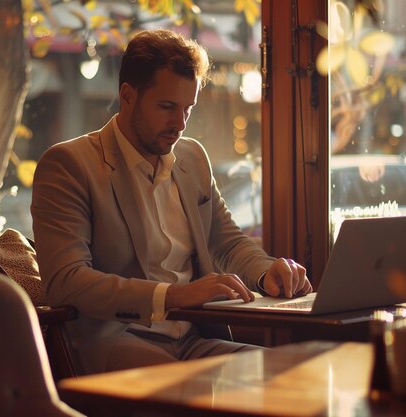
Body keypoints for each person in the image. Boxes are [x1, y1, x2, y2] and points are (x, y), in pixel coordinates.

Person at [31, 29, 312, 375]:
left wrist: (267, 270)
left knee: (287, 374)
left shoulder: (192, 158)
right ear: (127, 96)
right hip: (116, 340)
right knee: (187, 393)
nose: (179, 124)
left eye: (187, 109)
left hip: (193, 338)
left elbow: (226, 242)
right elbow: (67, 282)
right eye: (166, 107)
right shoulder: (69, 164)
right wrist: (175, 295)